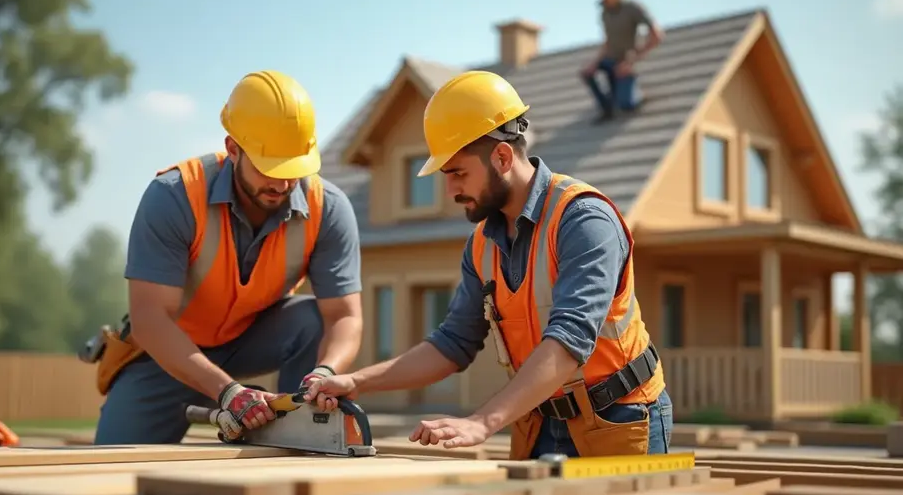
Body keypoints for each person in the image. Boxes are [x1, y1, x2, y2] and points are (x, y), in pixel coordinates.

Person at [305, 70, 672, 460]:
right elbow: (453, 343)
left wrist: (483, 421)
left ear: (501, 156)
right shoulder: (482, 244)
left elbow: (569, 339)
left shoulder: (583, 220)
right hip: (538, 422)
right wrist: (357, 382)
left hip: (620, 416)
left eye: (458, 173)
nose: (450, 191)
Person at [92, 70, 364, 445]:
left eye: (293, 169)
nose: (283, 184)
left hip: (249, 339)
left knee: (311, 318)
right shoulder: (173, 196)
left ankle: (301, 428)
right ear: (233, 148)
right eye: (269, 167)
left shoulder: (328, 209)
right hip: (166, 354)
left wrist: (324, 372)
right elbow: (150, 318)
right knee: (112, 467)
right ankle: (233, 395)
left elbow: (345, 316)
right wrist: (228, 392)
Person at [580, 0, 664, 123]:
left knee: (627, 105)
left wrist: (631, 61)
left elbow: (657, 35)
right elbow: (608, 41)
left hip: (627, 64)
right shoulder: (604, 11)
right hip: (610, 62)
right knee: (588, 74)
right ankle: (607, 110)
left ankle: (632, 95)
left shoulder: (633, 8)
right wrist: (594, 64)